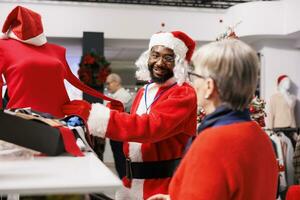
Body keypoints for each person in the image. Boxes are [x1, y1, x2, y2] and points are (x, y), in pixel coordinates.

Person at [63, 31, 197, 200]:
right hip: (131, 183)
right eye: (155, 55)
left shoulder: (183, 93)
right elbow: (135, 130)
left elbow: (150, 128)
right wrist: (116, 114)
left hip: (162, 187)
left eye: (168, 58)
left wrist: (92, 115)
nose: (159, 62)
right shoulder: (144, 91)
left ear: (178, 64)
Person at [148, 39, 278, 200]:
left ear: (209, 86)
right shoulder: (260, 137)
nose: (192, 83)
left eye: (194, 76)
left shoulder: (212, 142)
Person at [106, 73, 133, 178]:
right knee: (119, 160)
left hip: (120, 134)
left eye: (109, 83)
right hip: (117, 134)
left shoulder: (123, 96)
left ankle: (125, 183)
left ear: (116, 82)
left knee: (121, 161)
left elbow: (115, 115)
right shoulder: (118, 96)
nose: (107, 86)